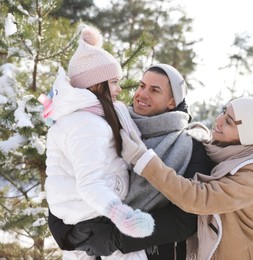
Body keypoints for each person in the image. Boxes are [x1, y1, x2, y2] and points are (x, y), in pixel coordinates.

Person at [47, 61, 214, 257]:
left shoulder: (191, 147)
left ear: (172, 101)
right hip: (90, 249)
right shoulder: (109, 123)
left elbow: (186, 218)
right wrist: (66, 234)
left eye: (155, 90)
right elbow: (66, 178)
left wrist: (117, 238)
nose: (142, 94)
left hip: (152, 252)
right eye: (141, 85)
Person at [119, 96, 253, 259]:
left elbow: (198, 199)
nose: (219, 120)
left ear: (247, 136)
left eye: (229, 121)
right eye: (224, 112)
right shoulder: (224, 151)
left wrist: (144, 161)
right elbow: (209, 142)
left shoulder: (252, 178)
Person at [41, 25, 155, 260]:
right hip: (93, 214)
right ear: (95, 84)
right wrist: (122, 215)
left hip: (83, 215)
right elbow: (89, 183)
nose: (119, 89)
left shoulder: (88, 117)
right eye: (113, 82)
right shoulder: (86, 124)